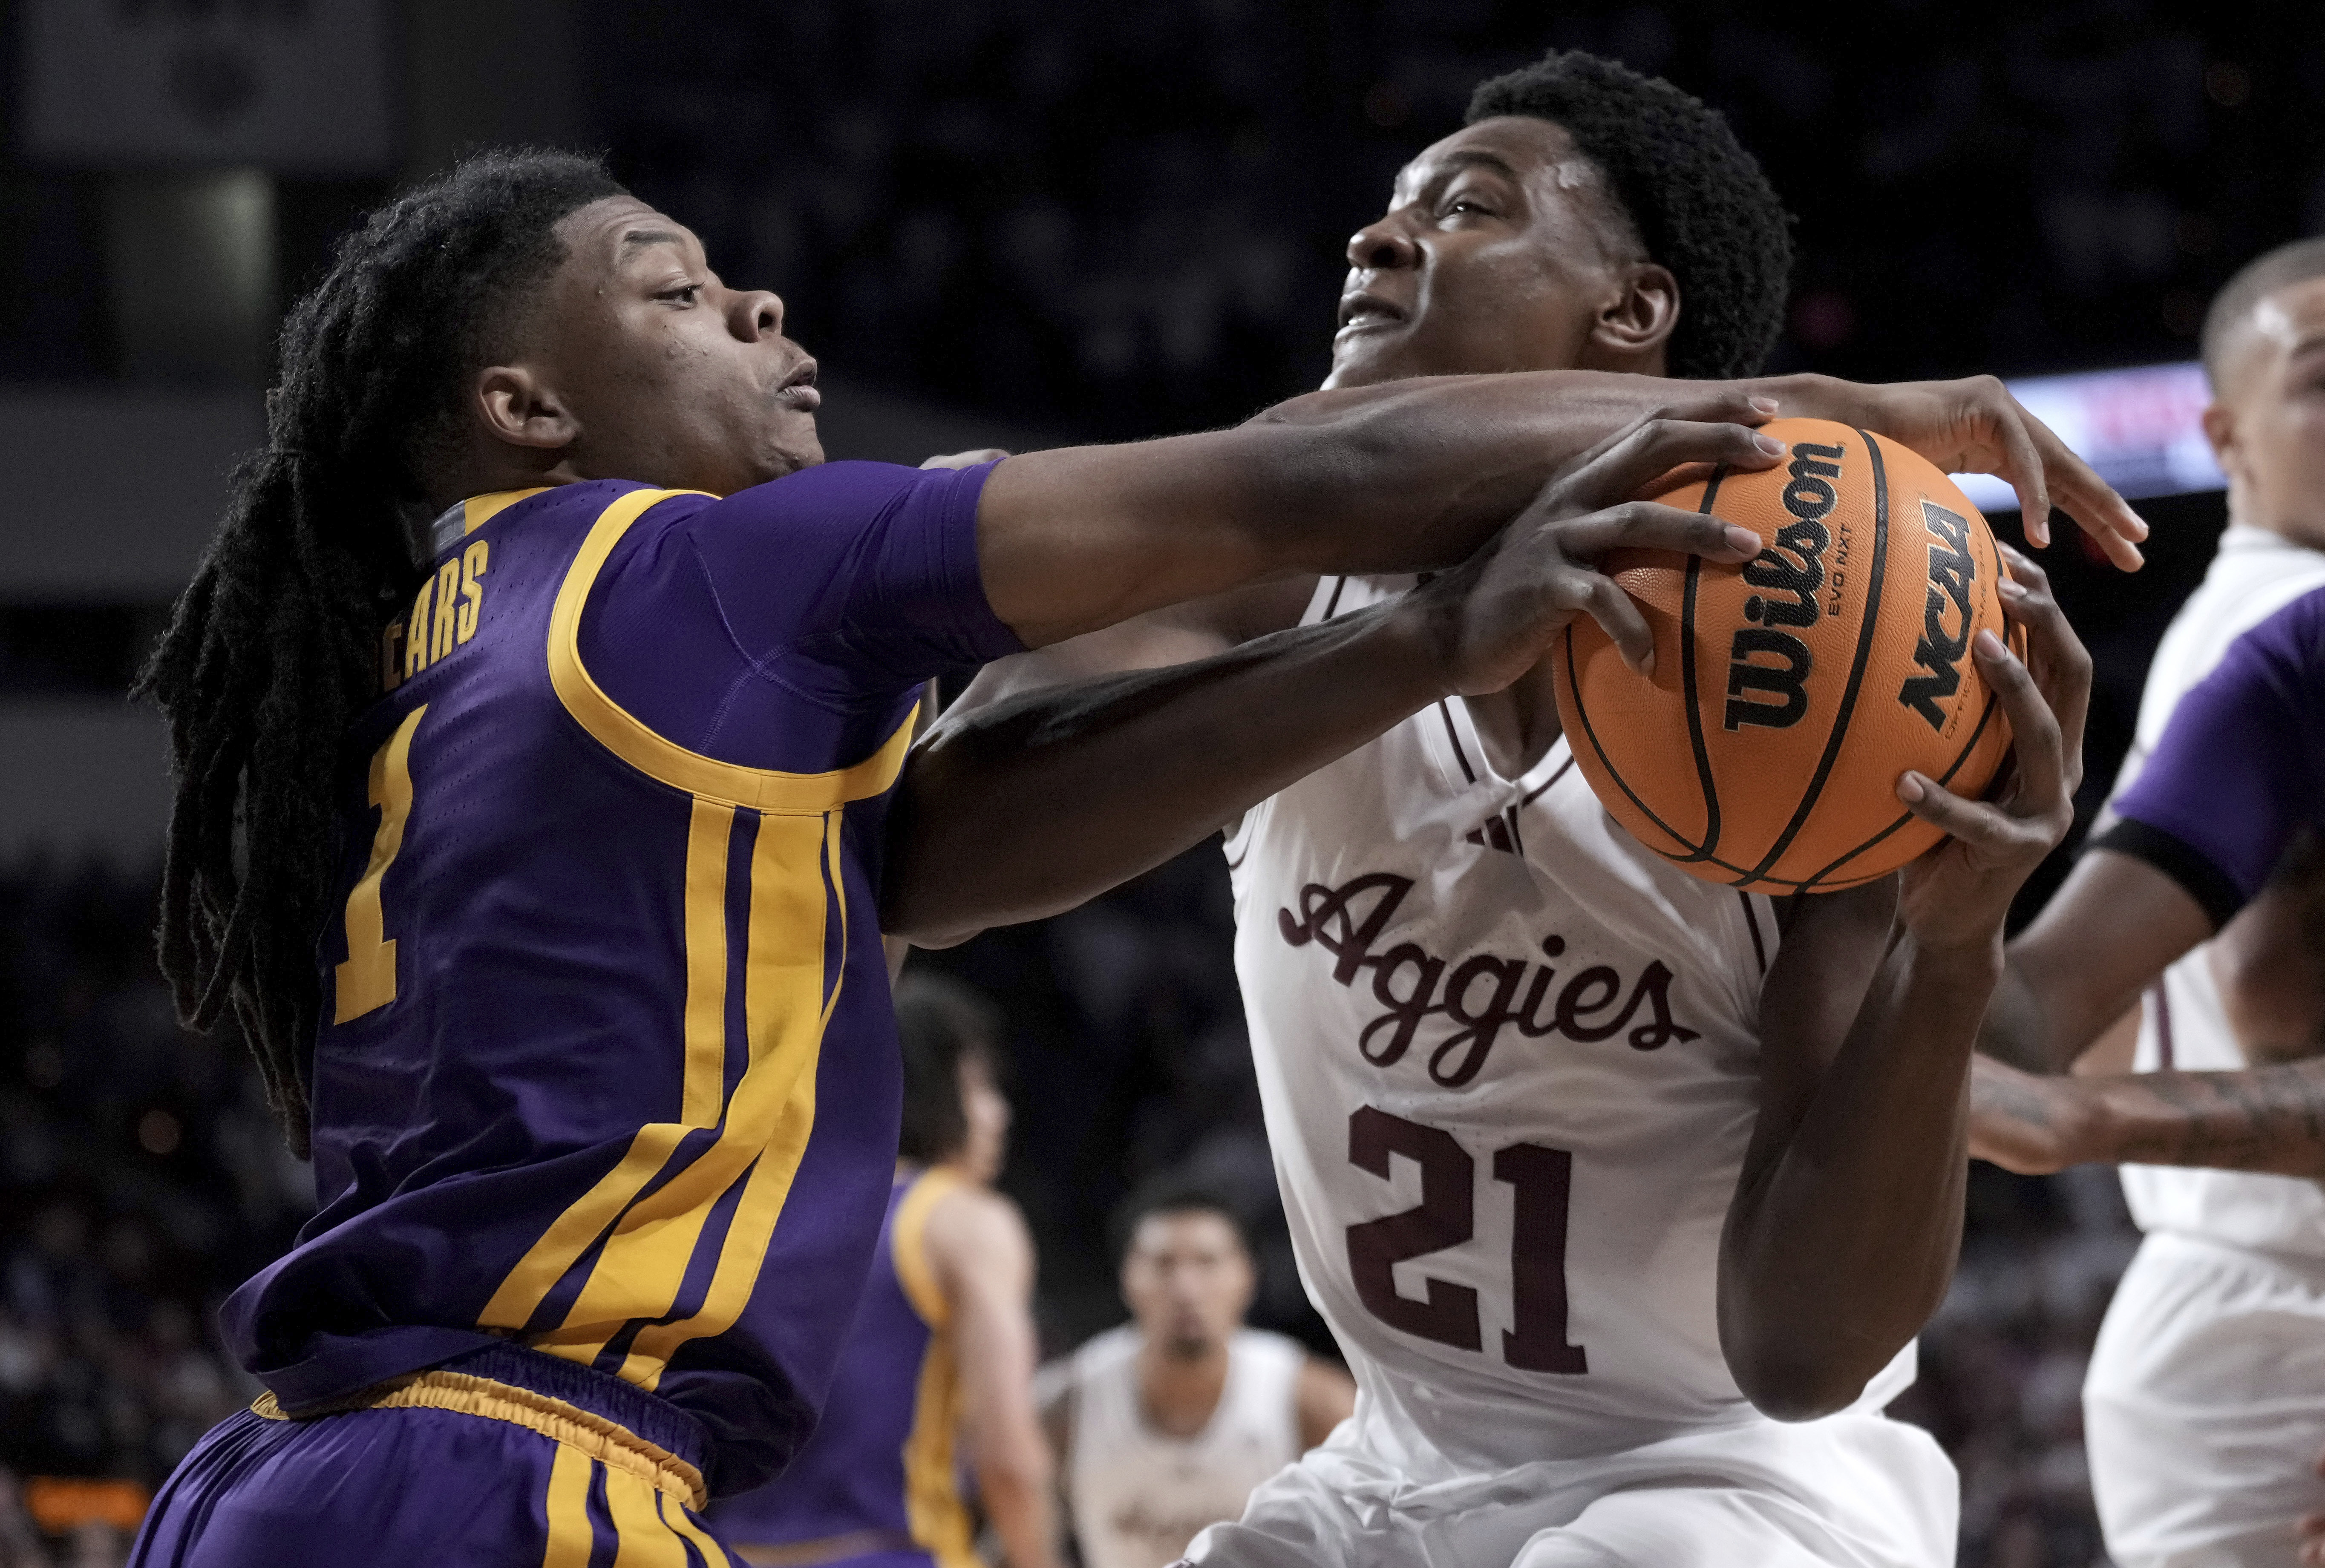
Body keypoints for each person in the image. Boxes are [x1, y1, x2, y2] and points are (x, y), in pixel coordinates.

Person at [120, 145, 2102, 1565]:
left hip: (304, 1470)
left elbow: (904, 846)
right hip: (518, 1472)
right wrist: (1800, 415)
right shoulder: (698, 571)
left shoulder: (448, 630)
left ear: (1630, 305)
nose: (757, 302)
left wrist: (1432, 631)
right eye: (670, 287)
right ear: (527, 404)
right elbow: (1287, 496)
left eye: (1476, 204)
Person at [890, 51, 2137, 1568]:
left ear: (1634, 314)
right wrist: (1415, 643)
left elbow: (1802, 1359)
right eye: (1389, 208)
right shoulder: (1290, 579)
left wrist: (1952, 947)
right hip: (1395, 1465)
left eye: (1467, 208)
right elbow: (932, 852)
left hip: (1734, 1488)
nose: (1378, 238)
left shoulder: (1816, 702)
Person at [1967, 239, 2325, 1568]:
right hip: (2307, 1311)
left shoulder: (2236, 624)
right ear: (2223, 433)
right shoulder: (2301, 619)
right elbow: (2269, 989)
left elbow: (2077, 1027)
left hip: (2224, 1310)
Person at [709, 975, 1057, 1568]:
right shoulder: (963, 1221)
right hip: (891, 1552)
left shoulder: (747, 1213)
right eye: (980, 1086)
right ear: (926, 1091)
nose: (998, 1114)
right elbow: (1008, 1459)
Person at [1037, 1188, 1354, 1568]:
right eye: (1163, 1264)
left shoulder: (1314, 1401)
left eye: (1208, 1262)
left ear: (1248, 1276)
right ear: (1126, 1278)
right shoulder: (1064, 1403)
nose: (1186, 1288)